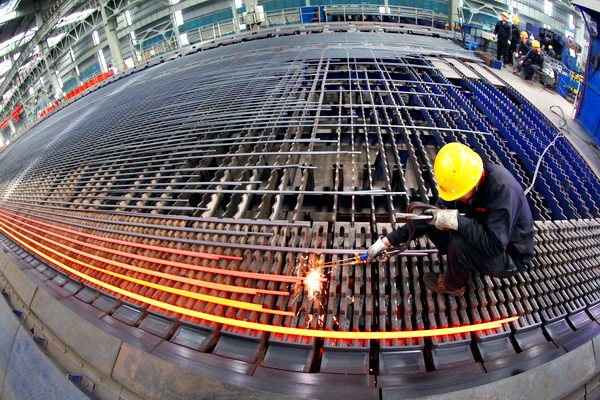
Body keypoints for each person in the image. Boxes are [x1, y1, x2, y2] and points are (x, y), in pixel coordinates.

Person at [367, 142, 534, 296]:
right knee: (436, 224)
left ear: (473, 184)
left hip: (509, 256)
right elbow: (430, 216)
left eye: (460, 195)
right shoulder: (460, 182)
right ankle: (465, 262)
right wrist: (387, 241)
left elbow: (495, 245)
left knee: (458, 241)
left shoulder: (502, 190)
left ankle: (453, 286)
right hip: (486, 235)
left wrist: (457, 222)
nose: (458, 199)